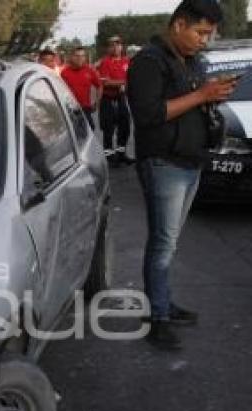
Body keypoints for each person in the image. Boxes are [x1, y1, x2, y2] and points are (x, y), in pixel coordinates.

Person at [128, 0, 234, 349]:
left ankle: (164, 305)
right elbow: (148, 115)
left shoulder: (190, 61)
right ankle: (158, 317)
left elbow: (189, 105)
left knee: (168, 243)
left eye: (209, 34)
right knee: (162, 243)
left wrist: (210, 97)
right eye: (200, 32)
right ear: (178, 25)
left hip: (190, 163)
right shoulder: (148, 61)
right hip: (164, 164)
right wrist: (202, 94)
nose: (205, 40)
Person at [97, 36, 136, 166]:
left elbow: (132, 78)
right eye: (112, 45)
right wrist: (124, 82)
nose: (115, 48)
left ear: (121, 46)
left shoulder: (126, 61)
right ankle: (109, 156)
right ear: (108, 48)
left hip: (121, 98)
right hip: (108, 99)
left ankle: (121, 154)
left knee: (124, 126)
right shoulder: (105, 62)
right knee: (108, 128)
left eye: (118, 45)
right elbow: (106, 82)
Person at [61, 47, 103, 129]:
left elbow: (99, 86)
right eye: (77, 56)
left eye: (82, 56)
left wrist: (97, 102)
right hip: (70, 109)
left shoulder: (89, 70)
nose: (80, 59)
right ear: (71, 57)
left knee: (90, 129)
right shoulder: (64, 73)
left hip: (85, 108)